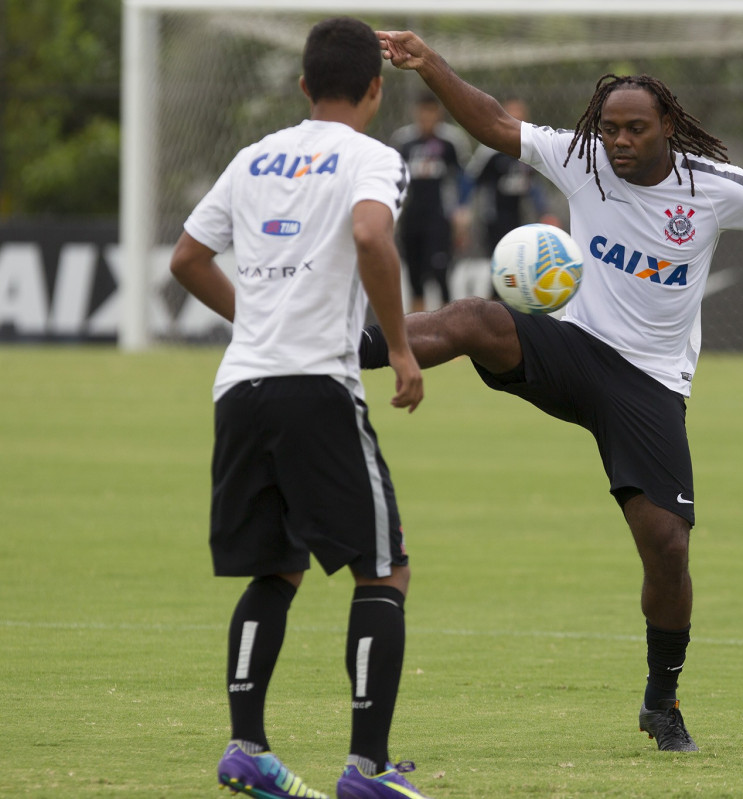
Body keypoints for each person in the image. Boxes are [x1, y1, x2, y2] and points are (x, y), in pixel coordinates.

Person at [366, 29, 743, 753]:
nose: (618, 140)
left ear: (667, 128)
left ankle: (662, 699)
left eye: (634, 128)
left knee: (667, 547)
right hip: (577, 350)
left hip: (649, 383)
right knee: (475, 319)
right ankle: (338, 345)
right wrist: (429, 62)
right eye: (609, 127)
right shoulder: (582, 159)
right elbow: (493, 123)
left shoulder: (712, 185)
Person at [168, 17, 434, 799]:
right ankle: (368, 770)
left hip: (240, 387)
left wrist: (255, 319)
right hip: (318, 384)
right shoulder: (374, 156)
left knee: (275, 567)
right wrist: (402, 346)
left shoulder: (252, 156)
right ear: (377, 90)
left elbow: (187, 258)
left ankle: (246, 746)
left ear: (302, 86)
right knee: (384, 570)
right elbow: (371, 235)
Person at [389, 93, 471, 311]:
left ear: (439, 113)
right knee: (415, 279)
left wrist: (461, 211)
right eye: (422, 112)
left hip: (439, 219)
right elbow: (394, 181)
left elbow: (464, 178)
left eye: (431, 111)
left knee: (441, 276)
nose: (426, 117)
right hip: (412, 218)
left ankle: (449, 337)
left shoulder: (451, 141)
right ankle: (417, 337)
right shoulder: (404, 141)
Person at [459, 97, 558, 261]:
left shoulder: (529, 152)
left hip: (520, 216)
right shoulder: (490, 151)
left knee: (521, 263)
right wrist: (462, 212)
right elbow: (471, 179)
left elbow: (534, 184)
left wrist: (544, 212)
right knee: (500, 262)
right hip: (494, 217)